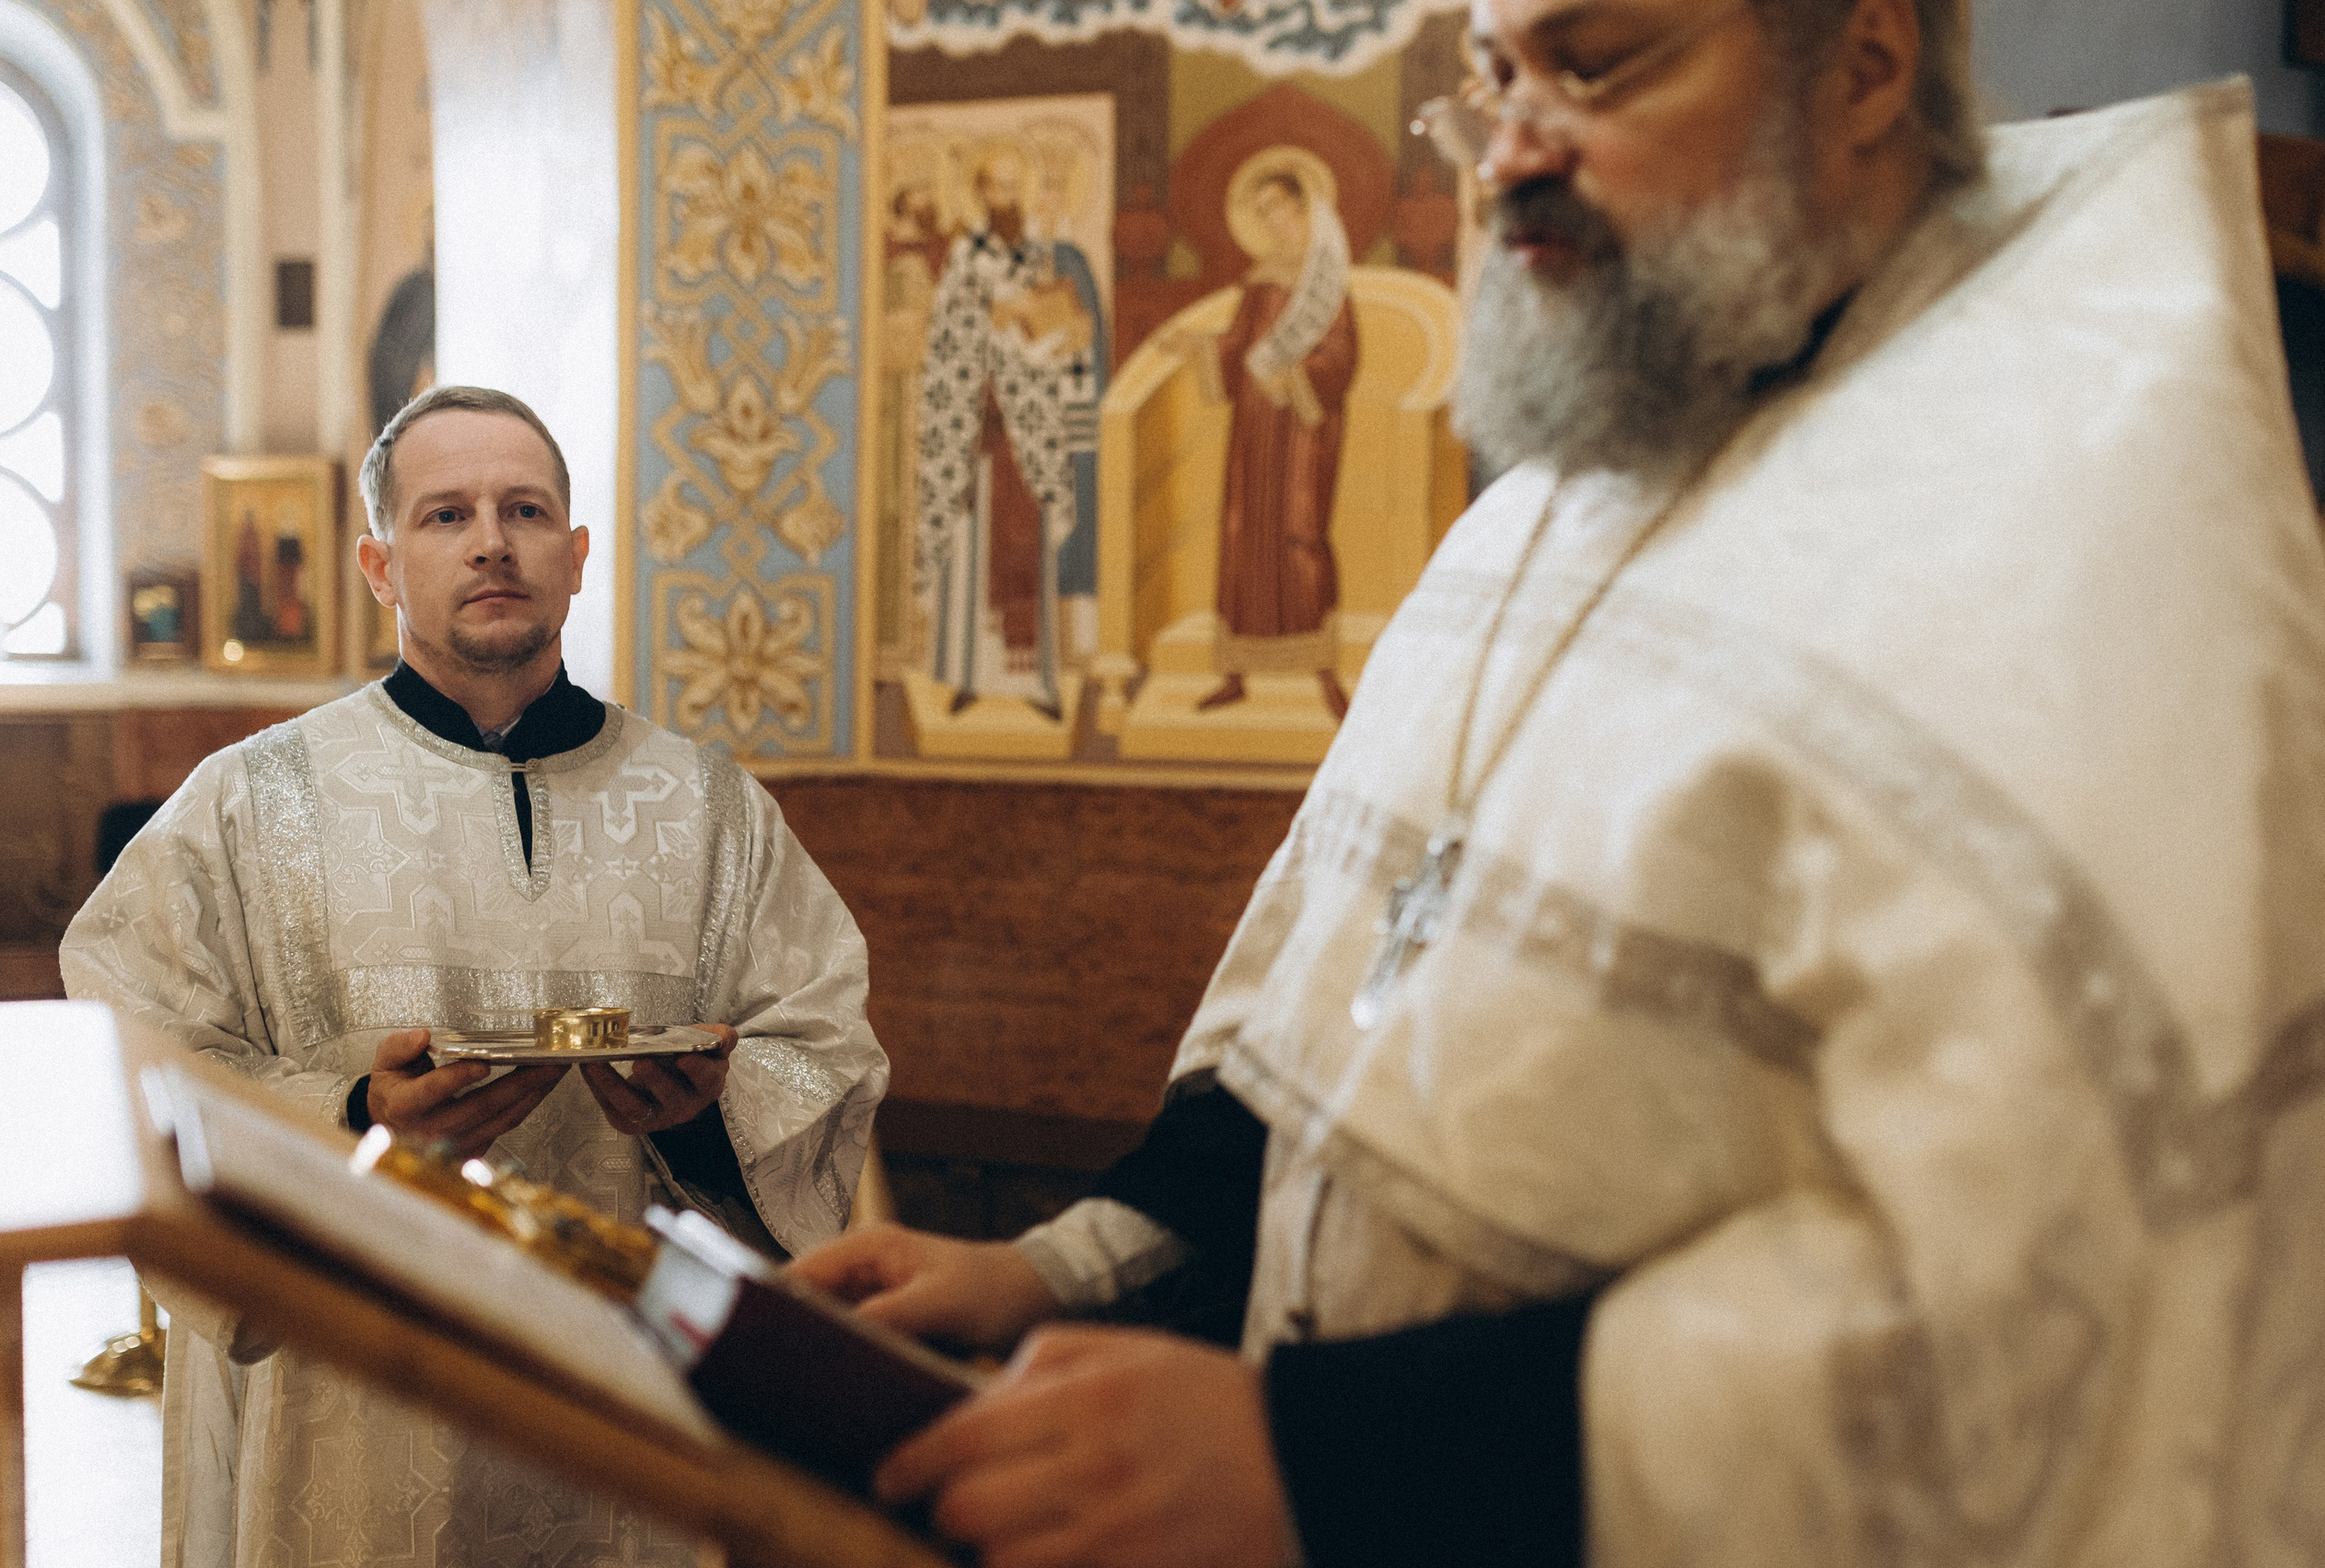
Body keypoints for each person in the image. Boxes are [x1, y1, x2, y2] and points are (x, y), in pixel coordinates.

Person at [792, 1, 2325, 1565]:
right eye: (1496, 77)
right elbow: (1361, 1020)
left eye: (1598, 64)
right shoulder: (1555, 503)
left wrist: (1325, 1461)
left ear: (1867, 67)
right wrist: (1061, 1266)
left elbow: (2068, 1292)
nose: (1510, 152)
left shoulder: (2083, 532)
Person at [63, 385, 889, 1568]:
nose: (493, 541)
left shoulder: (709, 806)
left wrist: (705, 1122)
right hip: (356, 1401)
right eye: (445, 514)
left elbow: (824, 1048)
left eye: (526, 510)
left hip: (632, 1416)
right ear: (379, 566)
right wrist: (356, 1113)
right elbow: (129, 1043)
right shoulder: (254, 797)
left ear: (577, 556)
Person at [913, 143, 1106, 720]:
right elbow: (946, 336)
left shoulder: (1047, 257)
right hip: (979, 428)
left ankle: (1036, 682)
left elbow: (1074, 334)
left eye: (1015, 186)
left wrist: (1059, 331)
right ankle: (968, 675)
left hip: (1033, 432)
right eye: (997, 187)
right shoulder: (965, 257)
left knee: (1031, 549)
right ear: (980, 195)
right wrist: (995, 317)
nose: (1009, 198)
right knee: (971, 553)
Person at [1195, 164, 1358, 724]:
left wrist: (1294, 379)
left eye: (1279, 209)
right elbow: (1240, 343)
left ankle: (1325, 673)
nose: (1272, 222)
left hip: (1303, 432)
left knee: (1300, 532)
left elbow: (1342, 357)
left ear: (1303, 208)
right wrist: (1200, 347)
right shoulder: (1260, 280)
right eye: (1261, 213)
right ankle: (1235, 674)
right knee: (1243, 533)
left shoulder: (1326, 283)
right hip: (1254, 425)